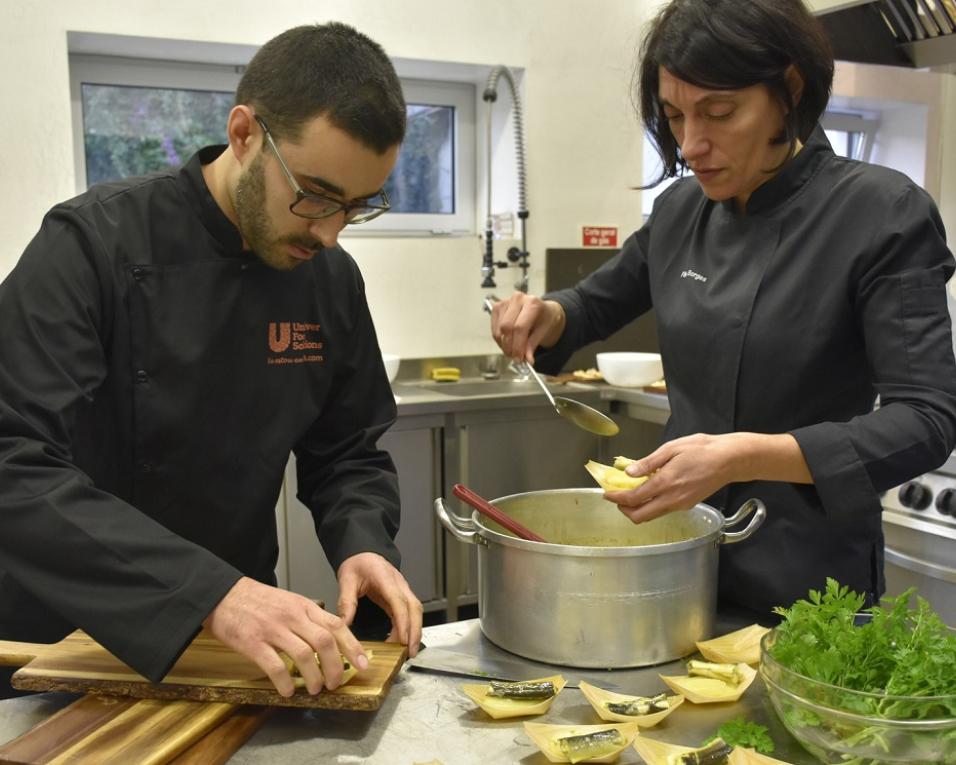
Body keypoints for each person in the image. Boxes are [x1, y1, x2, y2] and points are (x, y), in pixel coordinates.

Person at [489, 0, 956, 620]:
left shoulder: (882, 213)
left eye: (719, 113)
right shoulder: (681, 210)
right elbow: (589, 305)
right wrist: (548, 315)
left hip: (811, 573)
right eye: (675, 117)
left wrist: (742, 455)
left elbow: (926, 420)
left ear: (788, 90)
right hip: (681, 551)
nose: (691, 145)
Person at [0, 22, 422, 700]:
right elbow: (11, 461)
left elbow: (347, 448)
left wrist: (364, 541)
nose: (329, 231)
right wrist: (209, 592)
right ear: (244, 133)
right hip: (65, 648)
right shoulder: (91, 245)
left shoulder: (328, 280)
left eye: (356, 206)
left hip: (240, 651)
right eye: (313, 194)